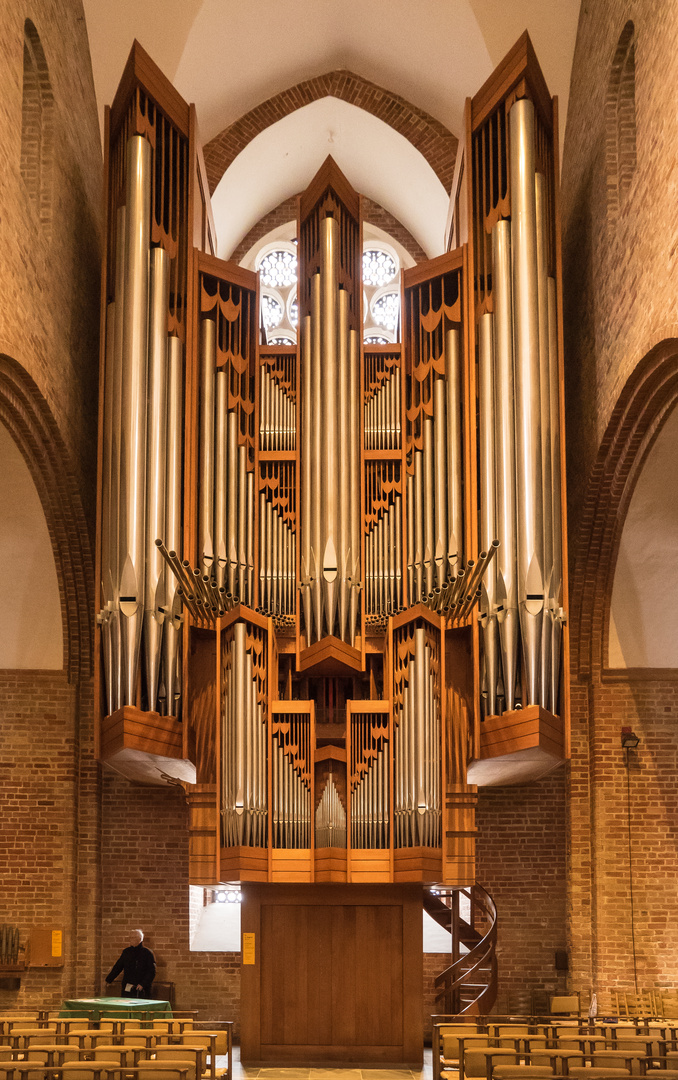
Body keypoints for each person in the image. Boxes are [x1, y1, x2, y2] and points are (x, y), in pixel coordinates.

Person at [105, 929, 156, 998]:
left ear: (139, 939)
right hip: (127, 986)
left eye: (133, 937)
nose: (130, 939)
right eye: (130, 937)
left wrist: (143, 984)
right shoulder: (126, 952)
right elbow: (118, 967)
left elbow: (151, 971)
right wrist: (109, 979)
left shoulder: (147, 953)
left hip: (141, 988)